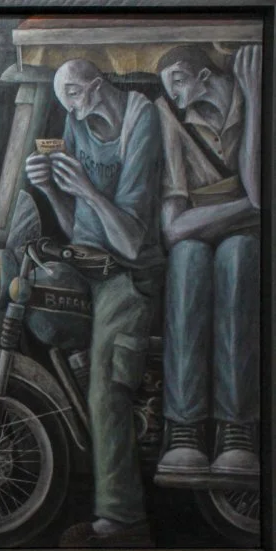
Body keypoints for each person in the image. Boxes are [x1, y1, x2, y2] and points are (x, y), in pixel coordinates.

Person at [24, 59, 165, 547]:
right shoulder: (76, 122)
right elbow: (80, 228)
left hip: (127, 273)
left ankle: (123, 519)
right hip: (89, 264)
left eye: (75, 96)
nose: (71, 111)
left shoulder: (140, 120)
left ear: (98, 85)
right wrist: (49, 187)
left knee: (106, 384)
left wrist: (84, 186)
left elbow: (129, 242)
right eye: (65, 102)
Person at [153, 45, 261, 483]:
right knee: (188, 258)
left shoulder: (249, 96)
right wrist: (245, 206)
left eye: (178, 83)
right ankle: (185, 427)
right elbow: (174, 227)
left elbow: (261, 189)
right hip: (199, 232)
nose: (175, 96)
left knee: (238, 256)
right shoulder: (169, 114)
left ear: (197, 75)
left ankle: (237, 428)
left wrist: (256, 98)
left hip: (247, 238)